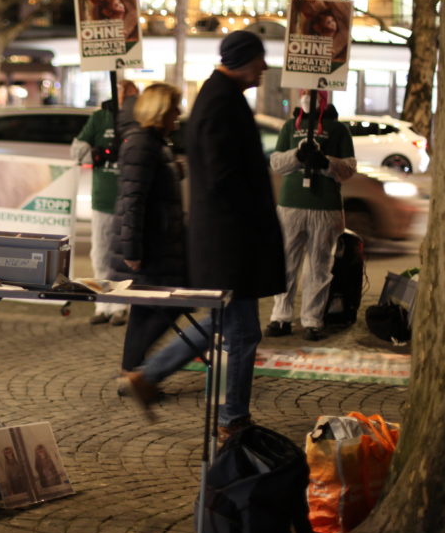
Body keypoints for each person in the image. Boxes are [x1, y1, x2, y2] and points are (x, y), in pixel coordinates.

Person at [125, 31, 285, 441]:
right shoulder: (220, 102)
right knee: (244, 333)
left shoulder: (220, 98)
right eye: (259, 61)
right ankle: (233, 419)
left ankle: (148, 376)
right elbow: (222, 179)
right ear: (242, 60)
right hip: (231, 244)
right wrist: (251, 221)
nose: (264, 69)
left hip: (228, 242)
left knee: (223, 323)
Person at [106, 84, 188, 396]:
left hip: (157, 240)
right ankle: (137, 375)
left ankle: (130, 374)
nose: (179, 114)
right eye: (175, 108)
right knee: (176, 302)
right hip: (151, 245)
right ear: (160, 111)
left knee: (143, 309)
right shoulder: (143, 143)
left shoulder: (153, 141)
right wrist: (132, 250)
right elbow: (132, 200)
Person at [266, 90, 356, 341]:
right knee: (286, 263)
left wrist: (325, 162)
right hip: (291, 205)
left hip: (325, 208)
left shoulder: (338, 130)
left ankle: (312, 319)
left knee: (319, 266)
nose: (308, 97)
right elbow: (276, 163)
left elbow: (349, 168)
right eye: (304, 92)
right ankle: (280, 316)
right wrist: (297, 156)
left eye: (313, 93)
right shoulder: (288, 127)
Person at [70, 80, 139, 326]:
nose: (130, 99)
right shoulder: (100, 118)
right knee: (100, 254)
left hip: (130, 200)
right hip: (104, 198)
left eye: (133, 95)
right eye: (126, 94)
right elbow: (77, 151)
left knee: (124, 258)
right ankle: (103, 303)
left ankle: (121, 305)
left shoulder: (139, 118)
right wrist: (101, 152)